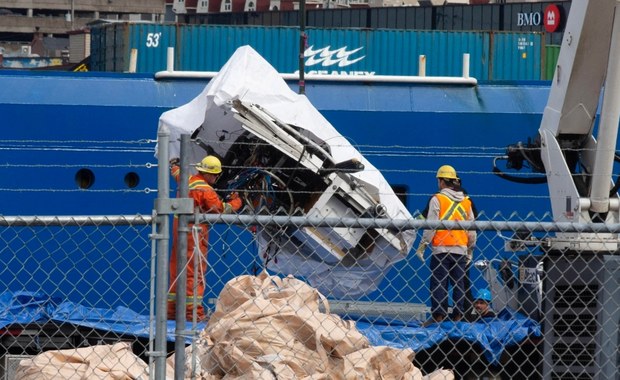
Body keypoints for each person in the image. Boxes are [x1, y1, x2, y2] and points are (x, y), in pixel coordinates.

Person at [167, 155, 242, 321]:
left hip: (179, 230)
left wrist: (173, 165)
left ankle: (171, 313)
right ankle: (193, 314)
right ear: (208, 174)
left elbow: (177, 172)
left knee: (176, 271)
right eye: (215, 175)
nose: (216, 178)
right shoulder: (205, 190)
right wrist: (237, 201)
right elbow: (221, 210)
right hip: (195, 234)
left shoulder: (187, 179)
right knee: (194, 273)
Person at [417, 165, 477, 326]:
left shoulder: (437, 199)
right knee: (459, 284)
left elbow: (431, 225)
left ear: (442, 181)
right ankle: (458, 316)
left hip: (441, 249)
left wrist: (423, 244)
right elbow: (472, 228)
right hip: (460, 249)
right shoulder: (466, 201)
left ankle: (438, 317)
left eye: (438, 180)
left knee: (438, 283)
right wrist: (471, 249)